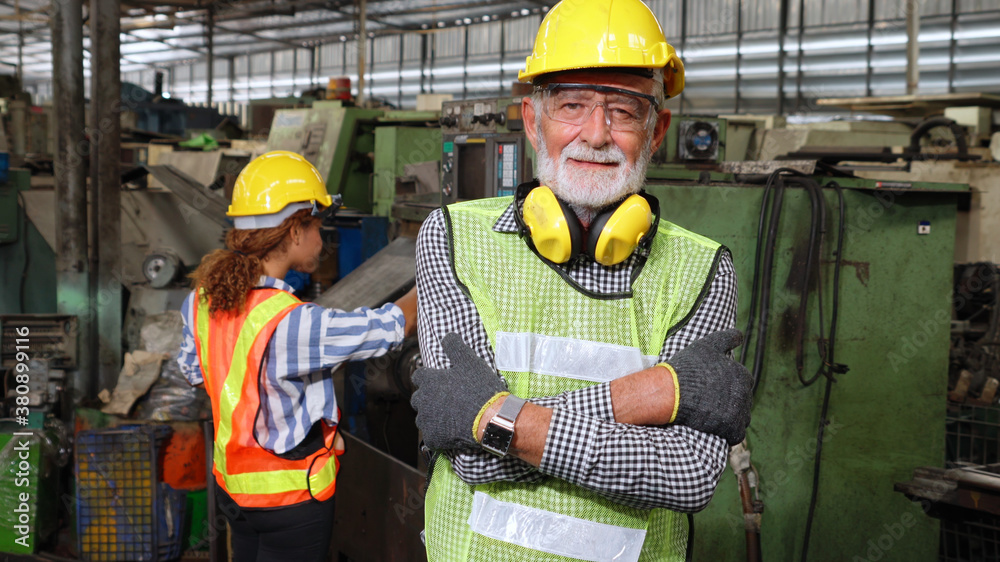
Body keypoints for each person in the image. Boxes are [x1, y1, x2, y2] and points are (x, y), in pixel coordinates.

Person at [410, 1, 753, 560]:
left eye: (623, 110)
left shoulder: (702, 268)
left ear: (657, 129)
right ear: (531, 120)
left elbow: (689, 476)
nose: (596, 134)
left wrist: (498, 418)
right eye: (572, 104)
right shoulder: (455, 237)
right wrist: (650, 395)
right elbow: (467, 458)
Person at [175, 150, 417, 562]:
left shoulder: (200, 301)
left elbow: (195, 372)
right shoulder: (290, 322)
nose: (322, 239)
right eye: (318, 226)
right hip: (288, 499)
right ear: (294, 231)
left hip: (234, 491)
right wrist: (432, 272)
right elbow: (390, 327)